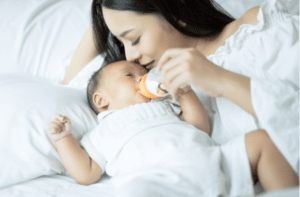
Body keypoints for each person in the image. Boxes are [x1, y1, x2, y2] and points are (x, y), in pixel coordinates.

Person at [63, 0, 299, 179]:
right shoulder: (152, 88)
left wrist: (222, 80)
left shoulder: (257, 29)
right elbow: (72, 85)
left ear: (176, 12)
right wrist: (110, 16)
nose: (130, 55)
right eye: (120, 42)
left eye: (134, 39)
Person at [48, 60, 298, 197]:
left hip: (213, 164)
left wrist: (184, 92)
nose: (142, 79)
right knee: (135, 192)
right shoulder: (103, 131)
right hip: (160, 184)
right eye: (130, 76)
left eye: (144, 74)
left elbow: (200, 127)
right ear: (101, 100)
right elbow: (86, 173)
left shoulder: (166, 105)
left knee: (261, 140)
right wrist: (63, 138)